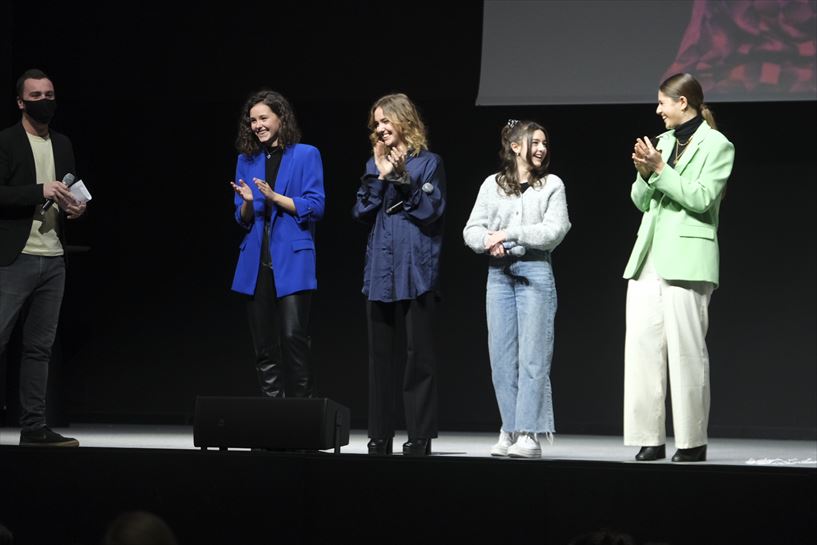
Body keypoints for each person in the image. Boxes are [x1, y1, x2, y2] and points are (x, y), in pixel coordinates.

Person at [625, 72, 735, 462]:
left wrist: (659, 170)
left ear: (682, 102)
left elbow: (702, 198)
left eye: (662, 102)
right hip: (649, 256)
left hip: (688, 258)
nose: (658, 110)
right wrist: (645, 175)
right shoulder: (662, 142)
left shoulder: (717, 144)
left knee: (687, 352)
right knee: (642, 349)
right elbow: (641, 201)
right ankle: (649, 438)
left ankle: (692, 441)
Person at [463, 119, 570, 458]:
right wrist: (487, 241)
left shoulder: (551, 185)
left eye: (544, 143)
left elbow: (554, 231)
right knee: (501, 358)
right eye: (534, 142)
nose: (541, 149)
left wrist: (508, 234)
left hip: (535, 271)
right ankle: (509, 427)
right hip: (499, 275)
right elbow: (471, 229)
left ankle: (529, 432)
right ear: (515, 146)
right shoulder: (492, 185)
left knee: (533, 357)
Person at [352, 93, 446, 456]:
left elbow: (431, 211)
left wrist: (401, 177)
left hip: (415, 267)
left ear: (404, 121)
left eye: (385, 121)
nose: (380, 128)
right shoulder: (373, 162)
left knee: (417, 355)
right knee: (379, 358)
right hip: (380, 268)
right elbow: (361, 211)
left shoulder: (429, 162)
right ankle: (379, 434)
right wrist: (378, 176)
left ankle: (419, 435)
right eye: (376, 123)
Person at [0, 68, 86, 447]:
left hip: (53, 257)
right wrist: (40, 190)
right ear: (21, 102)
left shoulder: (63, 143)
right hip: (14, 257)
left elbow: (71, 189)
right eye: (35, 96)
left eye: (49, 95)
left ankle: (34, 427)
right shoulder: (6, 141)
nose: (44, 101)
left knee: (39, 348)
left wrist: (77, 207)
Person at [230, 90, 325, 399]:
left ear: (281, 118)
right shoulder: (246, 160)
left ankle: (304, 415)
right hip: (256, 260)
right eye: (252, 120)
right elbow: (242, 218)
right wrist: (248, 202)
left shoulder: (306, 154)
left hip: (293, 258)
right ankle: (274, 416)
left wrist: (274, 197)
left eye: (263, 118)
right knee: (264, 345)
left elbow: (315, 207)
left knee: (293, 336)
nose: (257, 125)